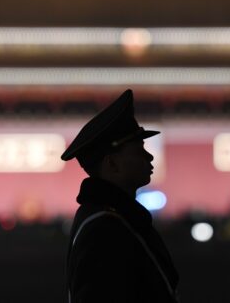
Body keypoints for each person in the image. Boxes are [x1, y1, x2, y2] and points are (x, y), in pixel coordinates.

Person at [62, 89, 180, 303]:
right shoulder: (105, 228)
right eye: (138, 150)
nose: (149, 156)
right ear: (112, 164)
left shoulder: (111, 217)